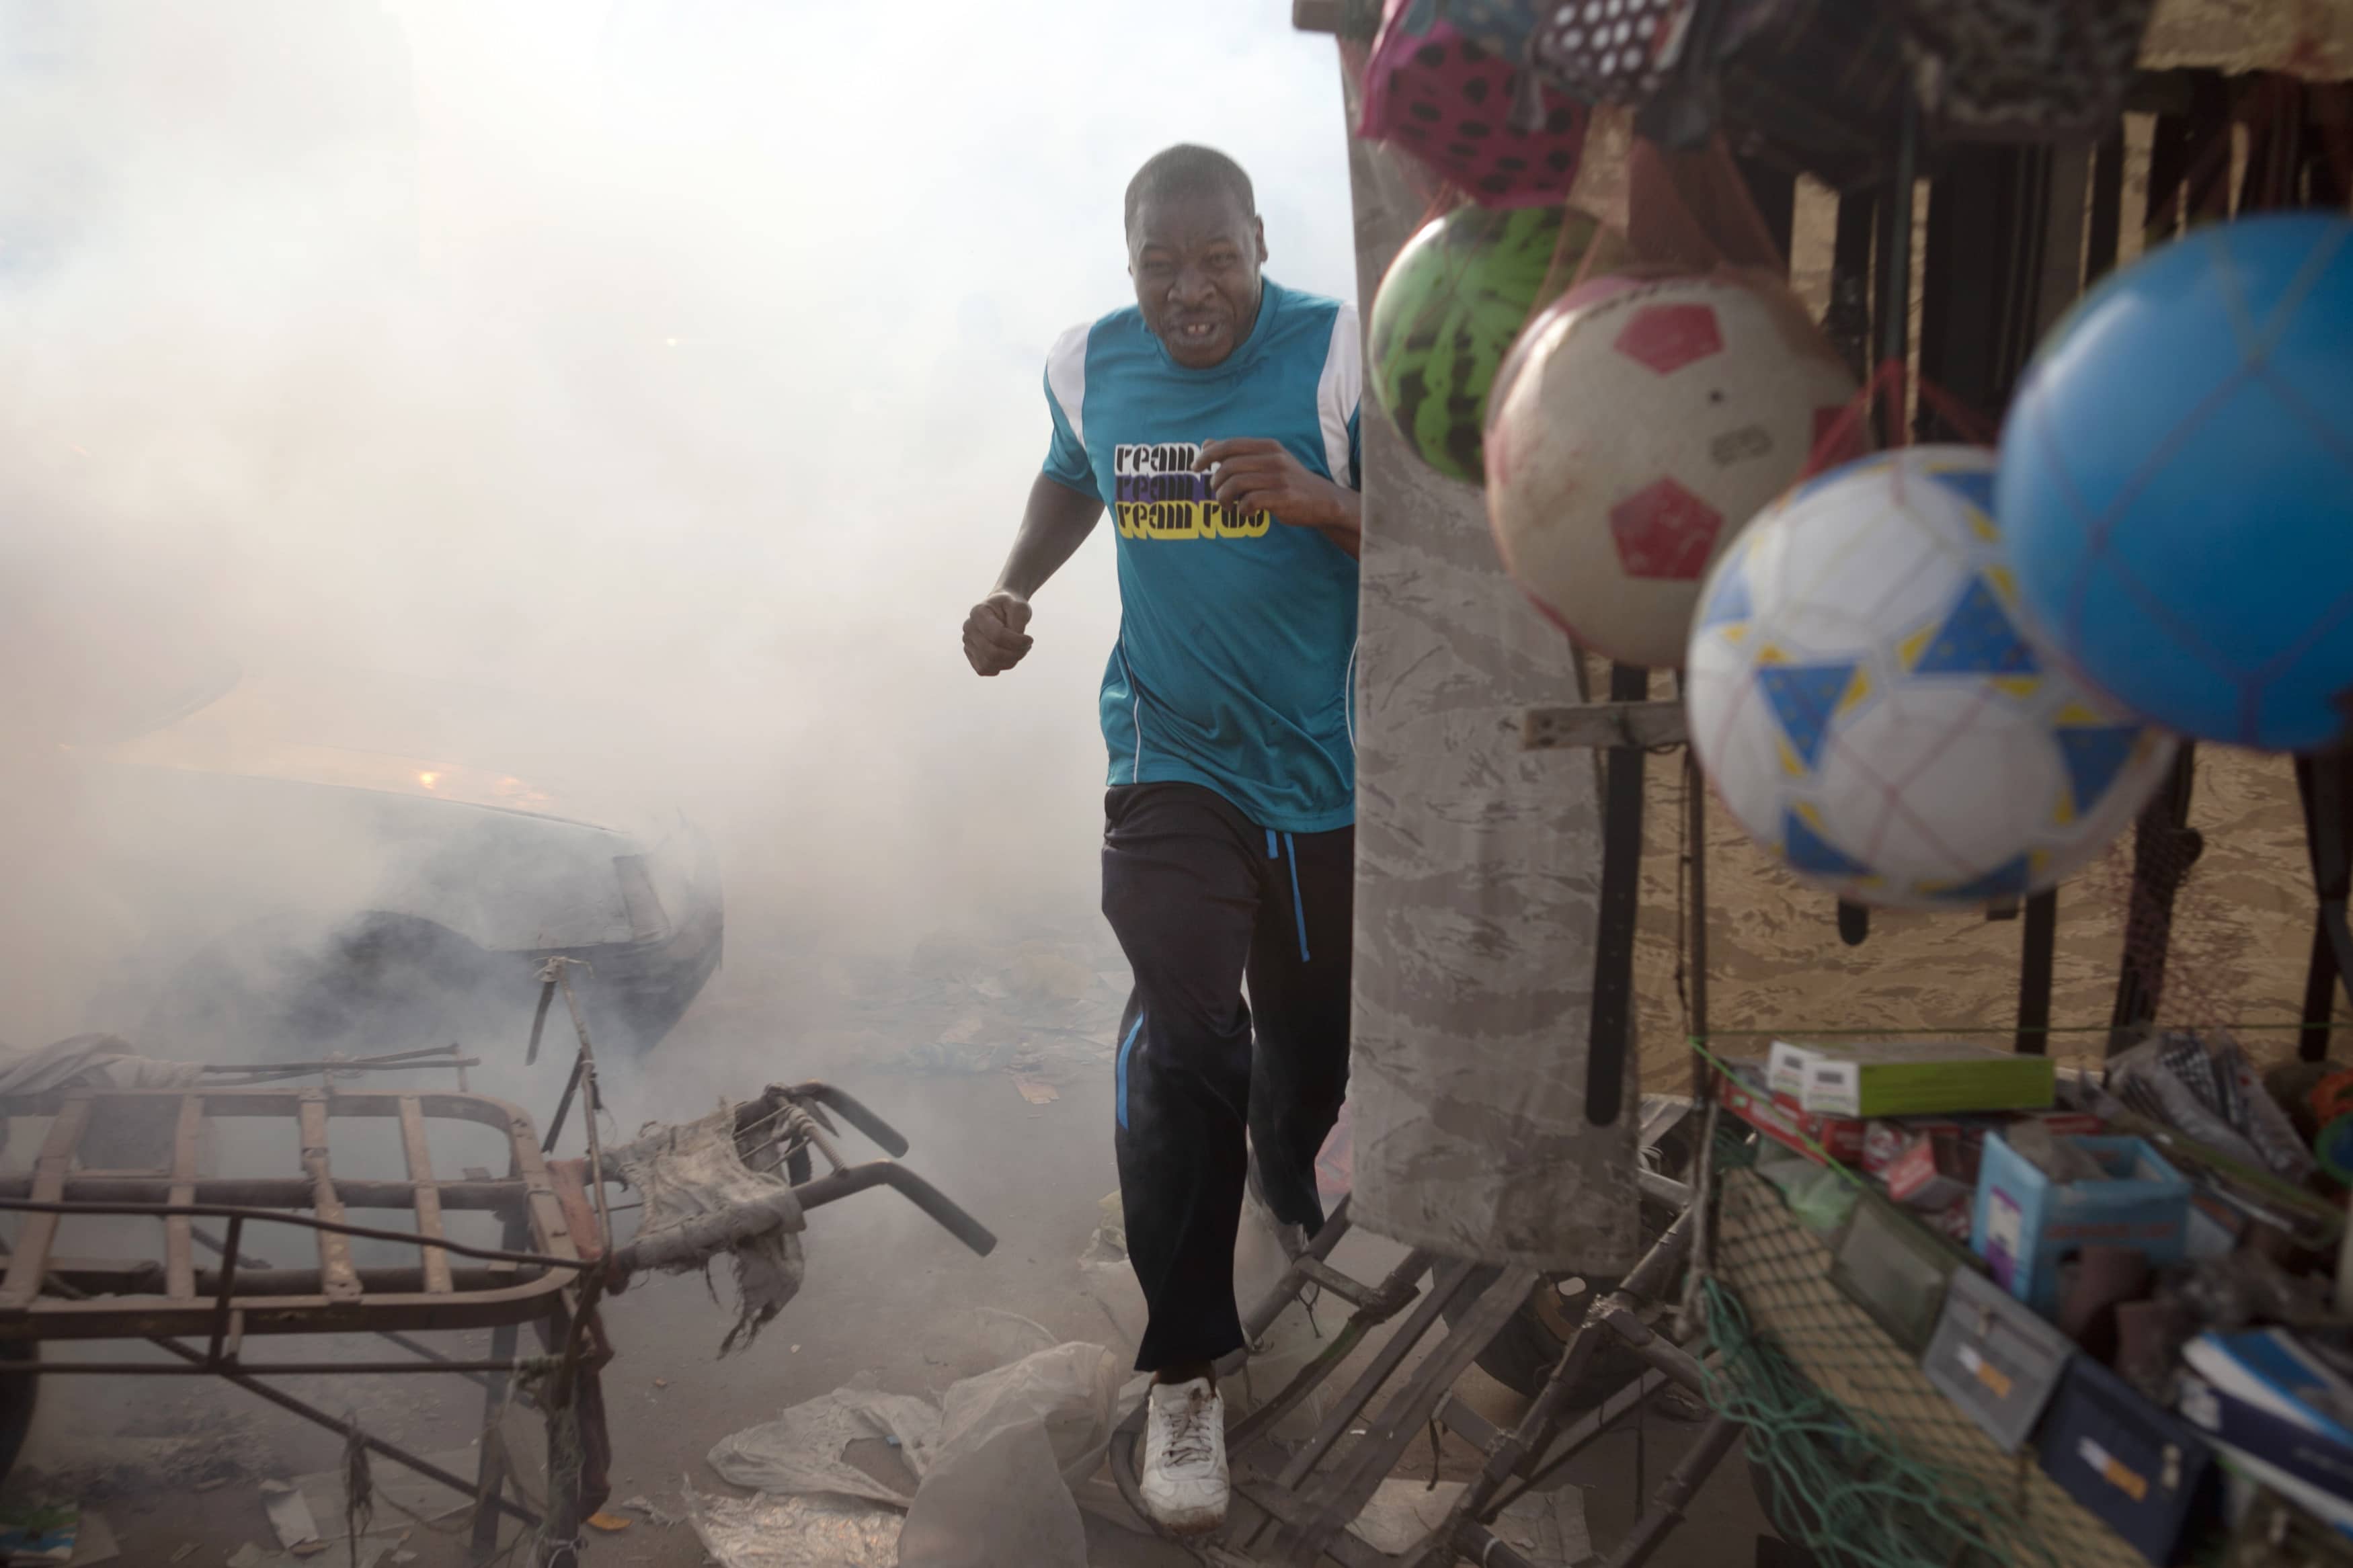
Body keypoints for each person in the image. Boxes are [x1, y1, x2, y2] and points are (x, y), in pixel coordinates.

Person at [961, 143, 1361, 1536]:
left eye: (1218, 261)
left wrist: (1324, 503)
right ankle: (1185, 1364)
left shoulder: (1338, 359)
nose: (1190, 293)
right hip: (1167, 757)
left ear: (1260, 243)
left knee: (1311, 1043)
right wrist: (1012, 588)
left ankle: (1288, 1167)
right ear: (1128, 263)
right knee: (1190, 1031)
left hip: (1323, 776)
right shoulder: (1092, 362)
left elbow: (1458, 544)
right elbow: (1074, 474)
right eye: (1159, 266)